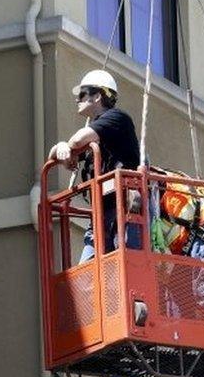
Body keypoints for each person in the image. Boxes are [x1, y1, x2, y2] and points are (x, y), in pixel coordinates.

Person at [48, 69, 140, 262]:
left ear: (98, 95)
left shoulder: (117, 119)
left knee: (122, 268)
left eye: (82, 94)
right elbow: (53, 158)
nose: (77, 100)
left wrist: (68, 145)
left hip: (123, 213)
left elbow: (78, 139)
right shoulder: (98, 136)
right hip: (102, 215)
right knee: (90, 279)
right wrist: (60, 146)